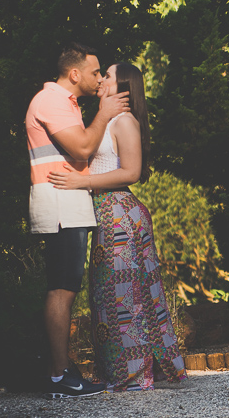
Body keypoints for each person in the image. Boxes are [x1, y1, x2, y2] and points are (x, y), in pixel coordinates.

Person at [50, 63, 188, 391]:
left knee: (126, 298)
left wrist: (80, 182)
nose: (101, 79)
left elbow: (132, 172)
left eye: (107, 75)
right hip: (105, 215)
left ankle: (135, 375)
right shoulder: (106, 121)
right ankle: (117, 372)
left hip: (121, 215)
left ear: (123, 85)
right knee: (105, 297)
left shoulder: (125, 121)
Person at [26, 43, 129, 399]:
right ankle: (59, 377)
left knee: (65, 285)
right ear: (75, 74)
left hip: (67, 202)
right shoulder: (52, 101)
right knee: (62, 288)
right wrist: (105, 112)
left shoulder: (63, 102)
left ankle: (59, 371)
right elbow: (83, 149)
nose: (99, 78)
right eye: (95, 72)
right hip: (59, 203)